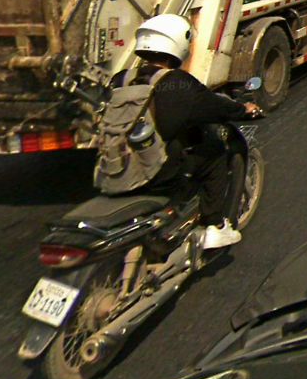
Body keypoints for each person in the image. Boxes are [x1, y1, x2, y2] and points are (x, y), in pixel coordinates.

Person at [110, 13, 260, 249]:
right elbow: (215, 107)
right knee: (216, 153)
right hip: (159, 168)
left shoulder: (121, 79)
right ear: (178, 44)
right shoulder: (179, 82)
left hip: (119, 164)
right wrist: (244, 109)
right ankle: (214, 226)